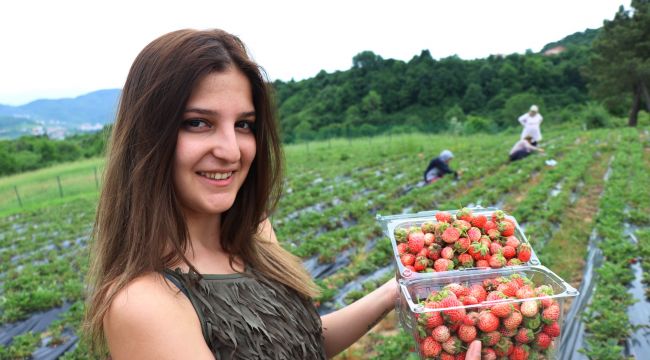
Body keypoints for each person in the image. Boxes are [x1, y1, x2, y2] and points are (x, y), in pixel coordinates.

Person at [84, 29, 398, 360]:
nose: (231, 151)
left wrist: (397, 290)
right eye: (198, 123)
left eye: (243, 125)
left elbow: (300, 343)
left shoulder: (256, 235)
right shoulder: (144, 303)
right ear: (148, 135)